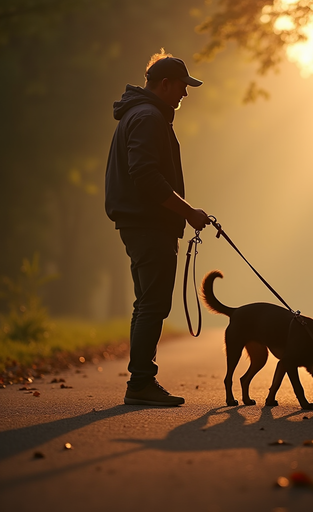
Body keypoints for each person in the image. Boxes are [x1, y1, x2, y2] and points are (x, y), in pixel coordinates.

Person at [105, 51, 210, 406]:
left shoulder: (143, 114)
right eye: (182, 86)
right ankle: (140, 383)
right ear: (165, 84)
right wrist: (188, 212)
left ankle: (141, 380)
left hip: (142, 222)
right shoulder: (149, 116)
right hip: (148, 224)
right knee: (152, 303)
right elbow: (146, 176)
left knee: (148, 302)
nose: (185, 94)